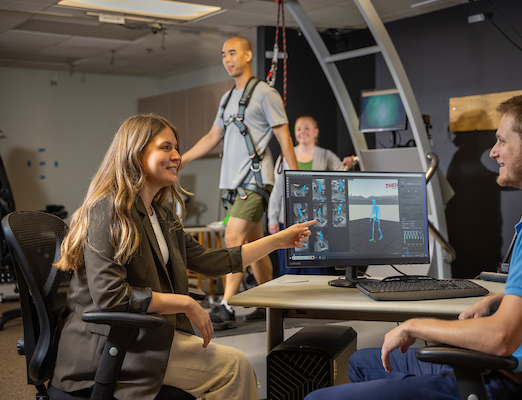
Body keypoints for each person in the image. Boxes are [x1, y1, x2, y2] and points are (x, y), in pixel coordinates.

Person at [305, 92, 522, 400]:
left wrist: (415, 326)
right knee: (362, 361)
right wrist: (495, 301)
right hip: (520, 372)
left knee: (317, 398)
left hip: (508, 384)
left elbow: (501, 338)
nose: (493, 152)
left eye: (501, 141)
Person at [51, 114, 315, 400]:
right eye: (166, 147)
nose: (177, 156)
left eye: (176, 148)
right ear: (136, 153)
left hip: (144, 337)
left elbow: (211, 260)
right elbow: (111, 296)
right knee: (234, 367)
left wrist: (278, 241)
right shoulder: (106, 210)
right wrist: (185, 303)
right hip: (108, 350)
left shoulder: (160, 214)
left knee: (235, 366)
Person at [179, 36, 298, 329]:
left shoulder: (266, 94)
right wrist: (182, 159)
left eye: (232, 53)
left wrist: (298, 181)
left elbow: (284, 138)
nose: (227, 59)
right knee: (255, 246)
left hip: (255, 180)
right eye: (223, 55)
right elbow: (211, 136)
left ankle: (228, 305)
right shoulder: (227, 98)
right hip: (234, 183)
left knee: (232, 239)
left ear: (248, 55)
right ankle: (268, 303)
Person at [267, 115, 354, 276]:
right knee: (289, 269)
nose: (303, 131)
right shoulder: (284, 156)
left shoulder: (325, 155)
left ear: (315, 132)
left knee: (316, 268)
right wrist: (272, 219)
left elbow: (340, 174)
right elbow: (277, 189)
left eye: (307, 128)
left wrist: (349, 163)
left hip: (316, 221)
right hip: (288, 220)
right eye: (299, 128)